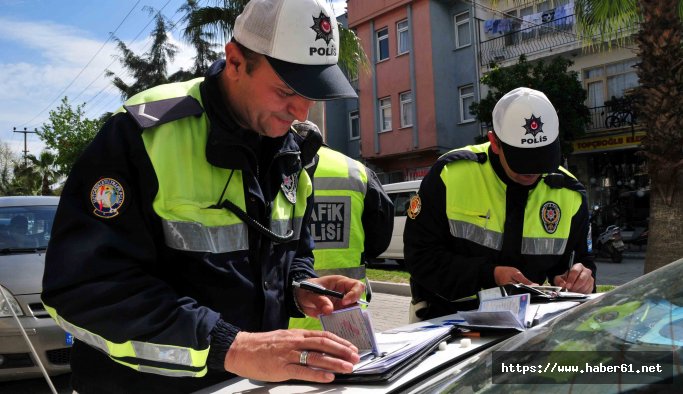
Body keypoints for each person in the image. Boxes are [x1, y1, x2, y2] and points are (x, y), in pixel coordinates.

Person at [41, 0, 367, 392]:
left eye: (313, 94)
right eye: (285, 90)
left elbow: (293, 247)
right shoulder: (143, 135)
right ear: (235, 62)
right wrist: (232, 345)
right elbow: (83, 290)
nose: (301, 110)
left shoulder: (292, 149)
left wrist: (299, 286)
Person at [404, 87, 595, 321]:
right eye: (523, 160)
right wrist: (490, 274)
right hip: (446, 319)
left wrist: (581, 278)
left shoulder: (570, 193)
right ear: (495, 142)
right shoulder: (450, 175)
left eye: (543, 158)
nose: (533, 171)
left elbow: (581, 262)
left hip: (528, 324)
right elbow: (420, 257)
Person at [288, 121, 394, 330]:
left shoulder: (275, 167)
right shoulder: (357, 171)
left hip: (287, 319)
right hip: (344, 314)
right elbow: (379, 240)